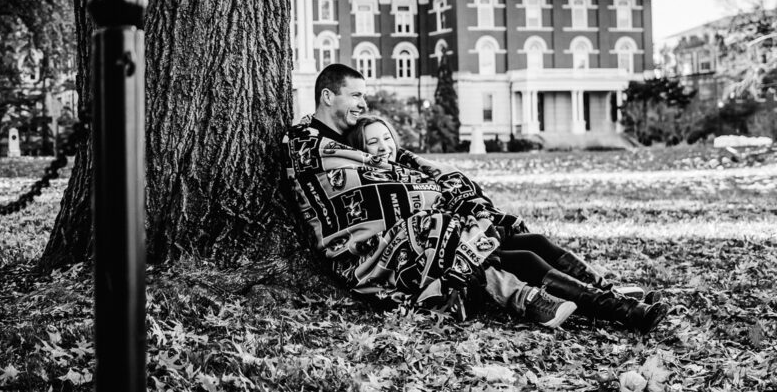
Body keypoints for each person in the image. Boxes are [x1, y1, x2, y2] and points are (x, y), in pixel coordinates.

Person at [281, 63, 577, 328]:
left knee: (510, 240)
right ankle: (526, 298)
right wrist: (431, 194)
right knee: (439, 228)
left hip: (399, 236)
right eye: (355, 95)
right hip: (361, 256)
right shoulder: (308, 143)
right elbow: (376, 182)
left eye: (363, 96)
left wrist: (449, 189)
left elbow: (398, 165)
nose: (362, 103)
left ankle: (593, 291)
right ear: (328, 96)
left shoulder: (344, 136)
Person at [346, 112, 669, 335]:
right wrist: (467, 231)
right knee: (526, 259)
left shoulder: (408, 166)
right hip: (449, 255)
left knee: (535, 242)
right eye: (373, 142)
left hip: (471, 235)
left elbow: (452, 190)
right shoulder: (372, 181)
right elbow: (410, 228)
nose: (384, 146)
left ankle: (609, 293)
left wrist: (478, 220)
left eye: (386, 138)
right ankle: (625, 310)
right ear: (361, 149)